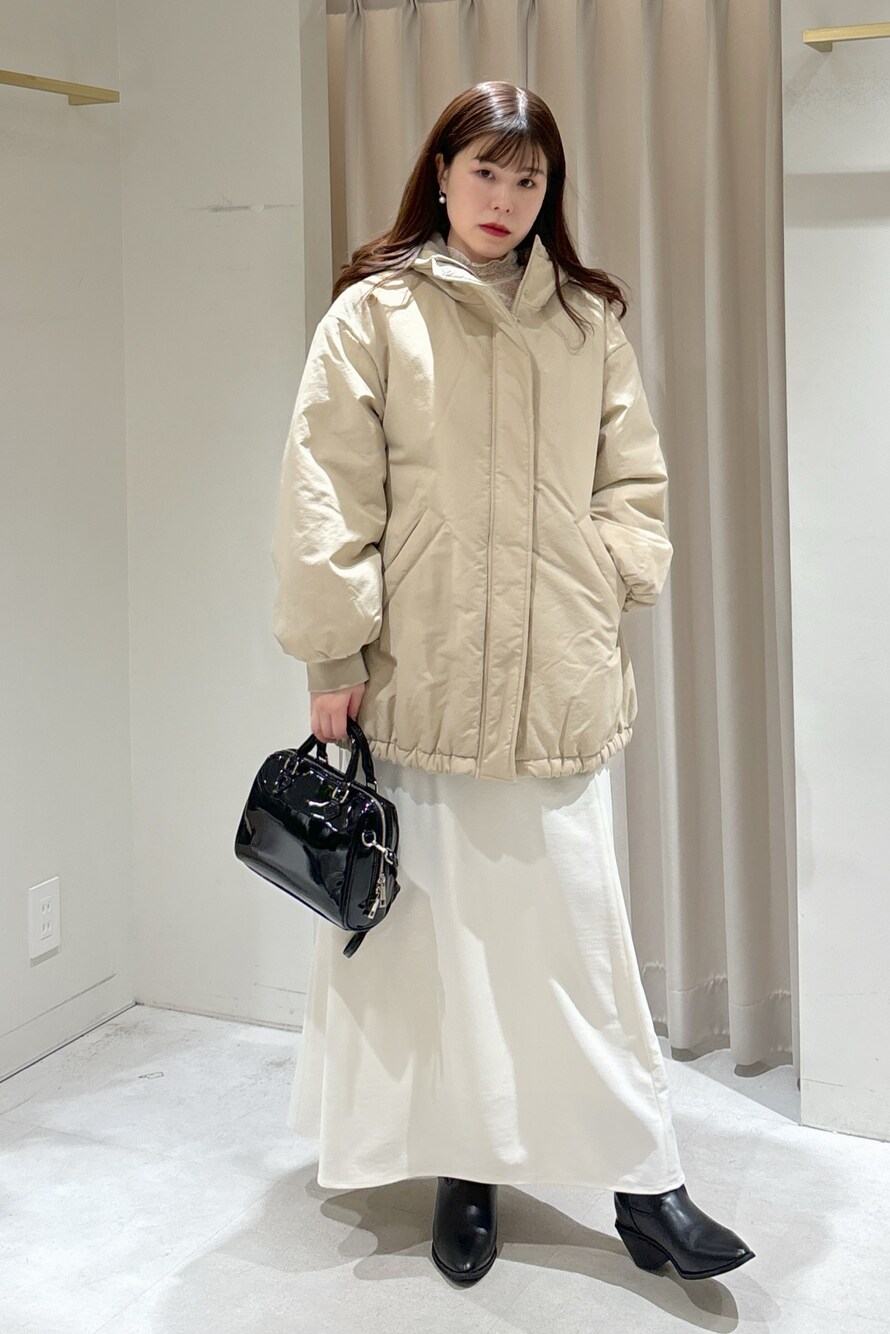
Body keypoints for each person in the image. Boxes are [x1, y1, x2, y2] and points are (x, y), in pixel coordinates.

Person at [271, 79, 755, 1286]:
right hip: (420, 680)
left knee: (578, 948)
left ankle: (647, 1184)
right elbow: (326, 491)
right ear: (440, 174)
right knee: (436, 950)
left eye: (527, 177)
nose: (503, 196)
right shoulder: (374, 314)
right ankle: (465, 1168)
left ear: (550, 192)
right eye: (484, 169)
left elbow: (633, 482)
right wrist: (331, 652)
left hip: (555, 683)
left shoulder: (587, 323)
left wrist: (605, 574)